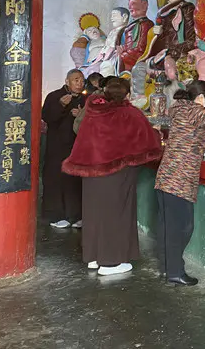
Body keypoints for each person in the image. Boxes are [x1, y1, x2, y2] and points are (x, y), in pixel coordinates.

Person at [62, 78, 163, 276]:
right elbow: (147, 140)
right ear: (127, 95)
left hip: (91, 171)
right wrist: (156, 135)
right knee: (116, 214)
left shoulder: (93, 112)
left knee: (94, 213)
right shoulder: (129, 113)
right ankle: (111, 262)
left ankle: (93, 257)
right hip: (117, 172)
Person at [155, 80, 205, 285]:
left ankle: (168, 268)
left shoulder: (181, 110)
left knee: (168, 227)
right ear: (200, 98)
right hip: (178, 181)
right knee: (182, 227)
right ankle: (175, 272)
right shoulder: (193, 110)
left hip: (167, 178)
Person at [42, 69, 87, 229]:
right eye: (76, 80)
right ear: (67, 81)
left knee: (75, 181)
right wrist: (61, 105)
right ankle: (57, 215)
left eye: (82, 80)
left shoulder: (86, 99)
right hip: (57, 147)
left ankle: (76, 215)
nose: (80, 83)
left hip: (77, 147)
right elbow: (46, 117)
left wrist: (81, 115)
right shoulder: (54, 96)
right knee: (56, 180)